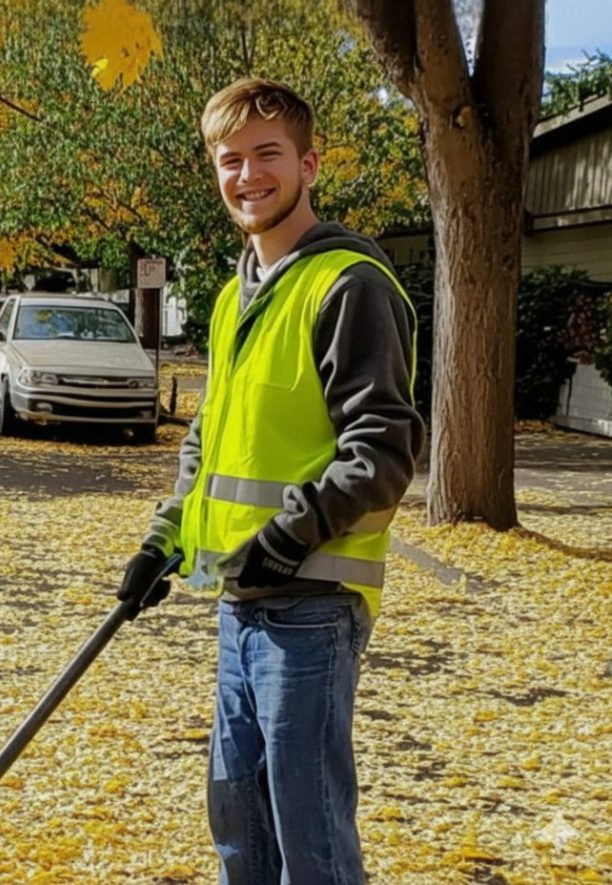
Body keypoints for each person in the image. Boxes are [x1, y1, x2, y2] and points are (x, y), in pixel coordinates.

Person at [117, 78, 425, 884]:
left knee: (310, 843)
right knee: (240, 832)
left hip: (311, 608)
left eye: (267, 155)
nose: (248, 175)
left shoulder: (348, 284)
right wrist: (166, 535)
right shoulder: (234, 297)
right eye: (230, 160)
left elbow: (384, 450)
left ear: (309, 163)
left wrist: (286, 539)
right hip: (237, 603)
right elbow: (210, 441)